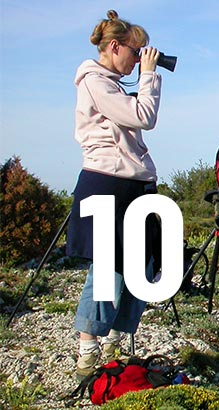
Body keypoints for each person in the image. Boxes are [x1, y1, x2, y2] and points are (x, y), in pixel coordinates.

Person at [66, 10, 163, 379]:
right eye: (135, 52)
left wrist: (145, 77)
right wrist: (150, 75)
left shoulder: (113, 84)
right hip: (107, 181)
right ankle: (88, 351)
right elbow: (144, 116)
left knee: (141, 267)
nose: (138, 59)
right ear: (115, 46)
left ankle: (112, 345)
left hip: (133, 183)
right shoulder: (94, 81)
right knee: (108, 268)